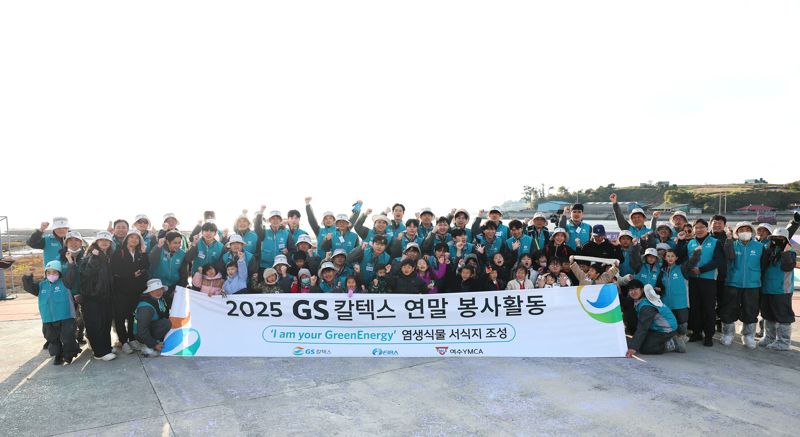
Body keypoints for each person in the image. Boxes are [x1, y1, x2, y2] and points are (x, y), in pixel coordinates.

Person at [676, 219, 724, 347]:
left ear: (707, 229)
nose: (699, 230)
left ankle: (708, 335)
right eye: (696, 227)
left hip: (708, 280)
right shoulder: (690, 243)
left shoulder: (715, 242)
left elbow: (718, 260)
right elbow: (679, 257)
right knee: (695, 307)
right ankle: (696, 332)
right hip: (692, 280)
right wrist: (680, 241)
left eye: (702, 227)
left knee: (708, 308)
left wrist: (701, 270)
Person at [22, 261, 80, 365]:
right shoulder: (41, 285)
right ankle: (58, 355)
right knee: (52, 338)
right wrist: (27, 276)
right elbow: (29, 287)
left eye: (54, 272)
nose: (51, 275)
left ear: (59, 273)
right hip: (48, 318)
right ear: (45, 274)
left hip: (66, 316)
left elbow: (72, 274)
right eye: (48, 272)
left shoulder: (65, 282)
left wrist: (71, 262)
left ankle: (69, 354)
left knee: (68, 336)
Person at [720, 222, 764, 348]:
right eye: (741, 230)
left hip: (752, 284)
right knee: (729, 309)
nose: (744, 232)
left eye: (747, 229)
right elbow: (727, 258)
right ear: (737, 233)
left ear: (752, 232)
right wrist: (729, 239)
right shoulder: (731, 244)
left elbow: (764, 264)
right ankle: (728, 334)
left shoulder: (760, 246)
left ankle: (748, 336)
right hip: (732, 282)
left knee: (750, 310)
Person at [78, 231, 116, 361]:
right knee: (95, 325)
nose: (104, 242)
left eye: (107, 241)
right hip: (92, 297)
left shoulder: (108, 256)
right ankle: (99, 352)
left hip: (106, 296)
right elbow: (85, 274)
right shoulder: (90, 256)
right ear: (96, 242)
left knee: (105, 324)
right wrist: (95, 258)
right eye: (101, 240)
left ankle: (106, 347)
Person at [110, 229, 150, 354]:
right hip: (121, 291)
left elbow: (146, 266)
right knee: (120, 317)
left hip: (135, 291)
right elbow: (115, 270)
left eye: (137, 238)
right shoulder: (119, 252)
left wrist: (144, 253)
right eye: (131, 237)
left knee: (132, 316)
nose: (134, 239)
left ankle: (132, 338)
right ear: (127, 239)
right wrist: (131, 274)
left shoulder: (139, 253)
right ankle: (123, 341)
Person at [758, 228, 796, 350]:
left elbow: (787, 267)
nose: (777, 240)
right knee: (768, 315)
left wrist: (786, 253)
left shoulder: (790, 252)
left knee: (783, 316)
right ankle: (769, 337)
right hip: (767, 288)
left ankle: (783, 341)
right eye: (775, 238)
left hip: (782, 290)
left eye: (781, 238)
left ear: (786, 240)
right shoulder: (770, 250)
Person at [625, 281, 686, 357]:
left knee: (645, 348)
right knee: (638, 341)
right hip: (656, 328)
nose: (633, 292)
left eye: (635, 289)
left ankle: (672, 343)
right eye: (630, 290)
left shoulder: (646, 306)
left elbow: (643, 328)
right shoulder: (643, 299)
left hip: (666, 330)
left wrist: (633, 348)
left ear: (642, 290)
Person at [657, 247, 701, 342]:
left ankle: (682, 335)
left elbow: (691, 262)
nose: (670, 258)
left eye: (672, 256)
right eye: (668, 256)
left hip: (680, 302)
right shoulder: (661, 271)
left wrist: (696, 253)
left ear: (676, 258)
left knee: (682, 321)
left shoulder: (682, 268)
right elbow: (659, 285)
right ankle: (671, 337)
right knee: (669, 322)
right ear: (665, 258)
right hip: (666, 302)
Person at [148, 231, 188, 308]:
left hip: (173, 286)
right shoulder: (159, 249)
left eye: (179, 242)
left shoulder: (182, 253)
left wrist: (179, 289)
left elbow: (184, 274)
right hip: (158, 286)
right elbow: (150, 261)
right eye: (175, 243)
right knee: (159, 308)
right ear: (167, 242)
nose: (178, 245)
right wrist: (158, 247)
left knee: (171, 308)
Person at [133, 279, 171, 358]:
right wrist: (154, 345)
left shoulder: (159, 299)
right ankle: (147, 345)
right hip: (141, 334)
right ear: (150, 291)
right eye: (155, 290)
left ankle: (156, 340)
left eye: (160, 289)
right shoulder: (145, 308)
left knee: (168, 321)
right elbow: (141, 330)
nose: (159, 292)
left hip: (152, 327)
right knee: (166, 323)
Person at [60, 231, 86, 344]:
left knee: (84, 318)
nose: (73, 242)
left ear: (81, 242)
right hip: (67, 294)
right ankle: (70, 340)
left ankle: (80, 335)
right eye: (70, 240)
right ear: (66, 243)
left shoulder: (86, 256)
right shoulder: (60, 258)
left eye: (77, 240)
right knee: (70, 319)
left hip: (84, 293)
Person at [255, 208, 294, 273]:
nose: (275, 220)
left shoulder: (286, 234)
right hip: (265, 266)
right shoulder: (264, 232)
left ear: (280, 220)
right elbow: (257, 227)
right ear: (270, 220)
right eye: (273, 218)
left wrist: (287, 253)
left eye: (277, 218)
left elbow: (293, 250)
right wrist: (261, 212)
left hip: (281, 267)